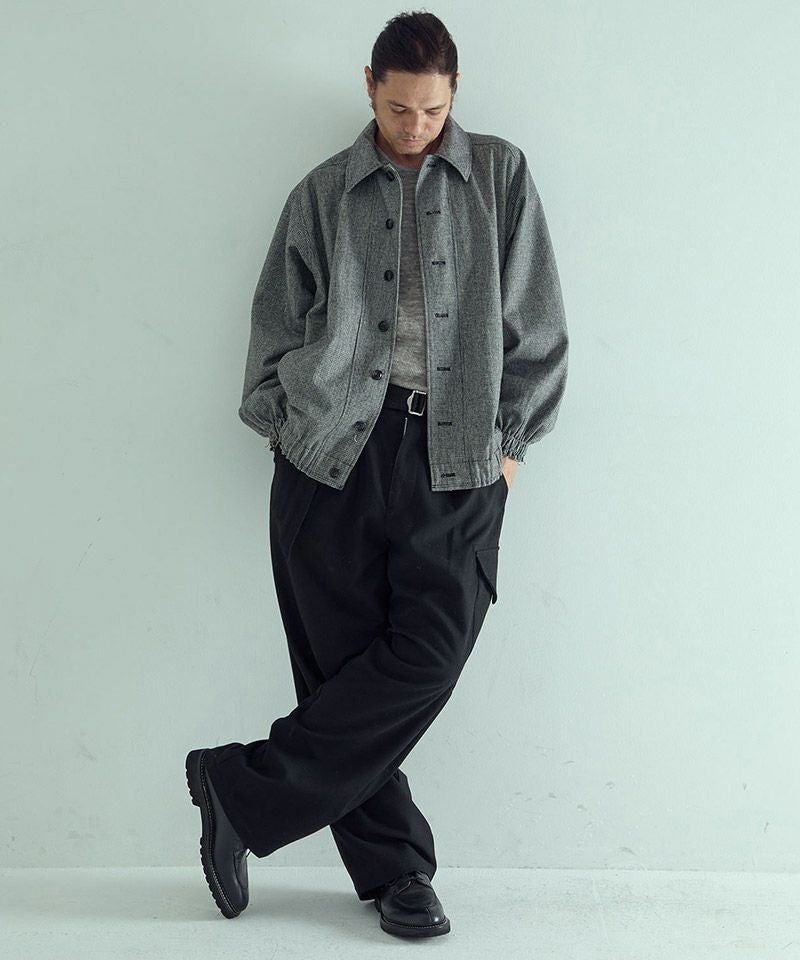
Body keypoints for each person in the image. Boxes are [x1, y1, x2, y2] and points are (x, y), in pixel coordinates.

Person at [186, 10, 568, 939]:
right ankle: (398, 875)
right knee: (339, 675)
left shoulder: (500, 176)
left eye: (432, 110)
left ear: (454, 93)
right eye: (398, 108)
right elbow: (274, 330)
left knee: (428, 653)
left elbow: (539, 329)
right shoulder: (322, 193)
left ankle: (240, 787)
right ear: (369, 87)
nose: (415, 126)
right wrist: (290, 435)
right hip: (330, 461)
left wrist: (507, 455)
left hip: (458, 457)